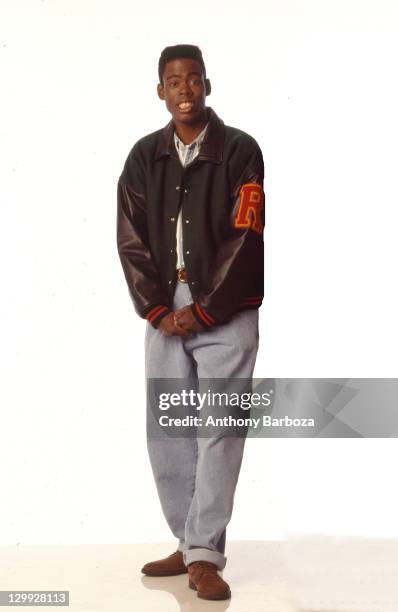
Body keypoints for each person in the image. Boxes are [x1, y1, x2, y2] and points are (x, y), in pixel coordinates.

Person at [117, 44, 264, 601]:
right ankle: (187, 541)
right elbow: (130, 239)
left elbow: (245, 234)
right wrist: (156, 308)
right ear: (160, 90)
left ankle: (205, 553)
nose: (184, 89)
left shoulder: (240, 151)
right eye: (173, 81)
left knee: (219, 429)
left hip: (225, 306)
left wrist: (204, 309)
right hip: (164, 307)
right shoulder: (142, 157)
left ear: (208, 85)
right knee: (169, 429)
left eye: (194, 79)